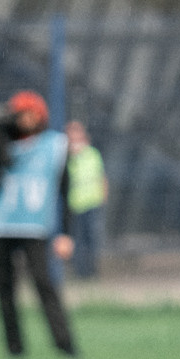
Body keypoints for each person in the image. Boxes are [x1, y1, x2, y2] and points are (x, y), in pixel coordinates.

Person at [0, 91, 78, 359]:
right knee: (5, 288)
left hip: (35, 226)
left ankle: (64, 344)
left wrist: (65, 232)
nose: (26, 120)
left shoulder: (54, 146)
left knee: (43, 284)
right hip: (1, 224)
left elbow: (65, 191)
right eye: (21, 115)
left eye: (32, 114)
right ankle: (14, 348)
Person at [63, 120, 107, 280]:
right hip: (75, 204)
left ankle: (92, 271)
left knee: (92, 238)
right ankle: (80, 273)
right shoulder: (65, 156)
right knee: (78, 240)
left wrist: (103, 196)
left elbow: (101, 176)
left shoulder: (92, 154)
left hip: (93, 203)